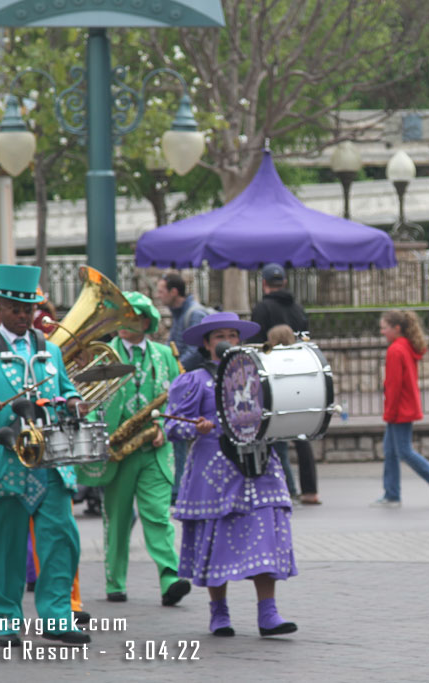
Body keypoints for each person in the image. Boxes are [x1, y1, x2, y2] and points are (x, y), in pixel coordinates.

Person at [0, 264, 90, 646]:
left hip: (50, 462)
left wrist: (74, 402)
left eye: (29, 309)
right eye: (16, 309)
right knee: (2, 546)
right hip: (0, 460)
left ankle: (57, 618)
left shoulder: (51, 350)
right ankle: (6, 619)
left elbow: (67, 389)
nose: (24, 316)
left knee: (60, 541)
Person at [165, 312, 298, 638]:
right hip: (214, 474)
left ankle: (269, 613)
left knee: (266, 529)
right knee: (216, 540)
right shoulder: (194, 380)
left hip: (258, 467)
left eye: (233, 335)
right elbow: (172, 425)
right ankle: (219, 613)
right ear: (208, 344)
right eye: (220, 335)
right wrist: (195, 426)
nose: (228, 340)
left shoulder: (261, 374)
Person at [76, 291, 190, 606]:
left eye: (131, 316)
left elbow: (178, 401)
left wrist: (164, 429)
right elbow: (87, 399)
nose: (124, 323)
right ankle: (115, 582)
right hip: (116, 451)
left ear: (146, 321)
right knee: (117, 517)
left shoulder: (165, 354)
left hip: (153, 448)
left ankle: (170, 577)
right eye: (119, 316)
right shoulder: (101, 354)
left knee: (157, 514)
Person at [371, 310, 429, 508]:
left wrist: (389, 413)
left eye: (384, 328)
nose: (382, 332)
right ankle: (391, 494)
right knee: (391, 451)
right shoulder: (406, 346)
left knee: (404, 451)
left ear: (396, 328)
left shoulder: (395, 350)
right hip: (405, 407)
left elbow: (393, 386)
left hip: (399, 410)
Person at [247, 263, 316, 502]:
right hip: (302, 374)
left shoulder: (263, 308)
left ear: (264, 283)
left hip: (274, 377)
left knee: (276, 434)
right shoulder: (298, 309)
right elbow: (307, 339)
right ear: (284, 282)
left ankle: (284, 487)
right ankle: (310, 490)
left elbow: (256, 344)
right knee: (302, 435)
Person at [156, 271, 208, 499]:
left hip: (191, 384)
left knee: (179, 435)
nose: (158, 296)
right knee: (176, 434)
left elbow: (196, 350)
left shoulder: (193, 313)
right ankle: (178, 487)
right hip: (184, 381)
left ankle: (180, 488)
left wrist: (173, 371)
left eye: (161, 291)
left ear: (174, 292)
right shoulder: (181, 314)